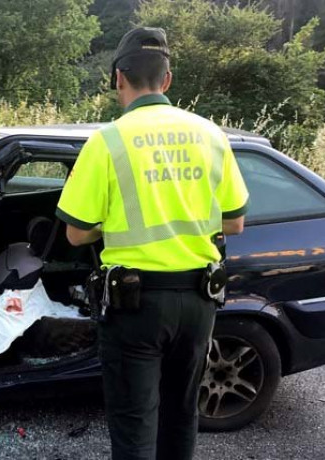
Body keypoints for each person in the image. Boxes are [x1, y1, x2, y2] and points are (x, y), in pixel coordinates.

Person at [55, 28, 248, 460]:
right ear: (167, 79)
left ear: (118, 78)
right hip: (199, 301)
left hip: (135, 307)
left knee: (134, 423)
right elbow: (234, 223)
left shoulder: (107, 142)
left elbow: (76, 233)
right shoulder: (211, 135)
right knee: (181, 416)